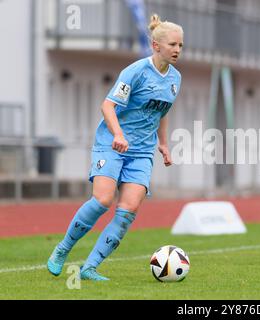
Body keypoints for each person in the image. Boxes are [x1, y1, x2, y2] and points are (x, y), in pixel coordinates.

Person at [46, 14, 184, 281]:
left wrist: (164, 145)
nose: (177, 50)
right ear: (157, 46)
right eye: (173, 45)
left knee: (128, 210)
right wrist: (118, 134)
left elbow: (162, 112)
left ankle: (89, 268)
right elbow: (107, 105)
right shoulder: (135, 72)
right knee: (103, 200)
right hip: (112, 145)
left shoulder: (175, 79)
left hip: (142, 152)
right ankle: (62, 249)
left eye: (180, 45)